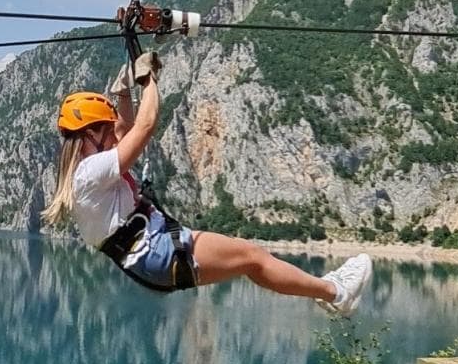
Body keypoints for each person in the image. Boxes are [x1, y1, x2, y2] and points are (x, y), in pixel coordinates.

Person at [40, 50, 373, 314]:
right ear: (90, 134)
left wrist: (123, 93)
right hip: (158, 251)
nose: (112, 135)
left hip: (150, 258)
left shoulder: (83, 174)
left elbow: (123, 131)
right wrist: (148, 81)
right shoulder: (90, 172)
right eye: (105, 129)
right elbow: (144, 126)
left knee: (252, 261)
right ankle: (336, 292)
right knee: (254, 256)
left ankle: (327, 292)